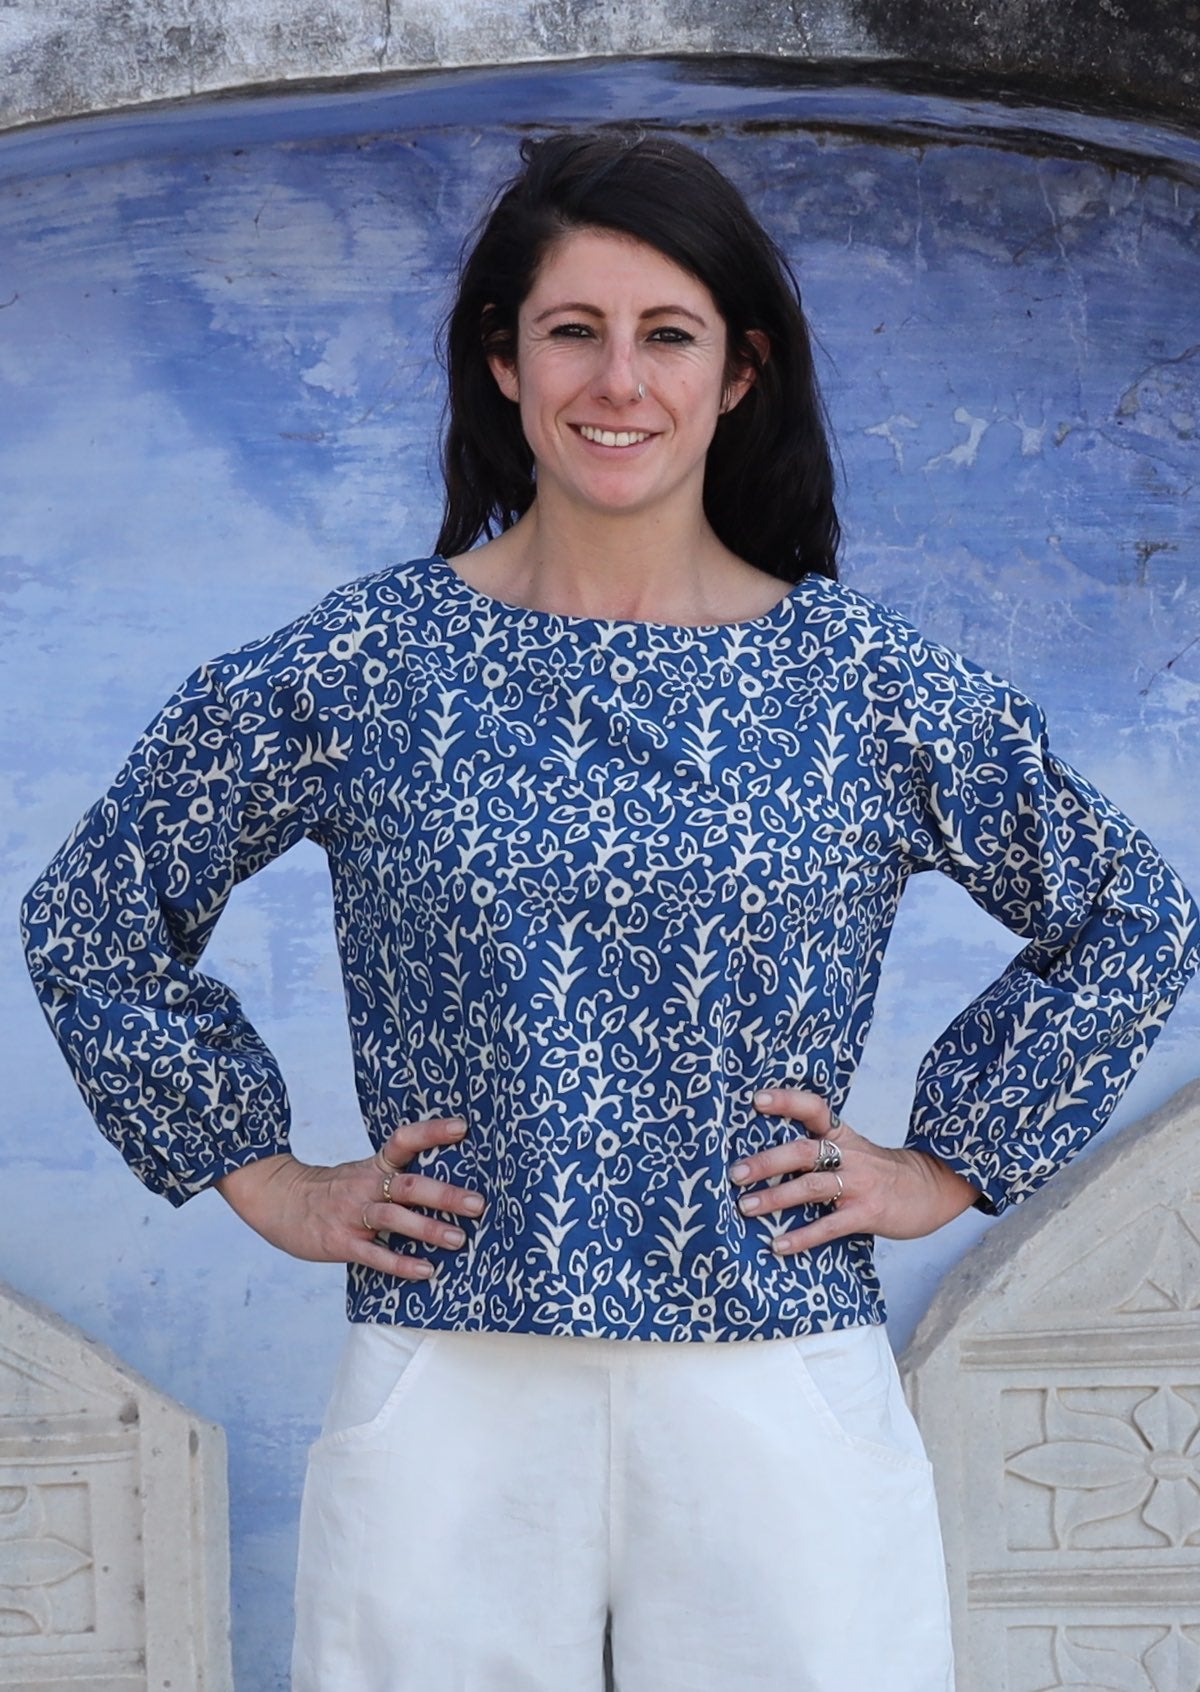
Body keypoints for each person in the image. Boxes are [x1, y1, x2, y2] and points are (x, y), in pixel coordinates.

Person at [20, 128, 1199, 1692]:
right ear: (502, 362)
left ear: (738, 373)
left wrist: (946, 1163)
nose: (617, 383)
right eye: (573, 330)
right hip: (449, 1380)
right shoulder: (372, 665)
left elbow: (1133, 914)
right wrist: (269, 1181)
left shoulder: (860, 681)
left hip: (777, 1383)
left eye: (668, 336)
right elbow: (95, 911)